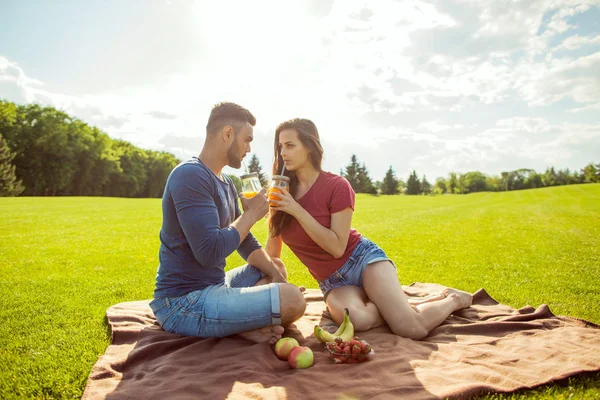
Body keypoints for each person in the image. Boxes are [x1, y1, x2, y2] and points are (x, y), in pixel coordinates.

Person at [265, 118, 472, 340]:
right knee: (358, 320)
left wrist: (296, 209)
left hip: (362, 261)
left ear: (309, 147)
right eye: (280, 146)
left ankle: (454, 299)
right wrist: (279, 289)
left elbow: (336, 247)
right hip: (332, 282)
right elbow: (273, 254)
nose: (283, 152)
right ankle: (396, 306)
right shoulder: (281, 192)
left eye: (290, 145)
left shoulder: (336, 186)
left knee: (411, 328)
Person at [150, 102, 306, 343]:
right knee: (293, 300)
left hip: (215, 285)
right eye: (247, 139)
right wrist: (251, 215)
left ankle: (238, 323)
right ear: (227, 134)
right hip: (183, 302)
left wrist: (279, 279)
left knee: (275, 267)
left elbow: (245, 242)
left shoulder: (225, 182)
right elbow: (210, 252)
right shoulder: (190, 175)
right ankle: (238, 324)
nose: (249, 149)